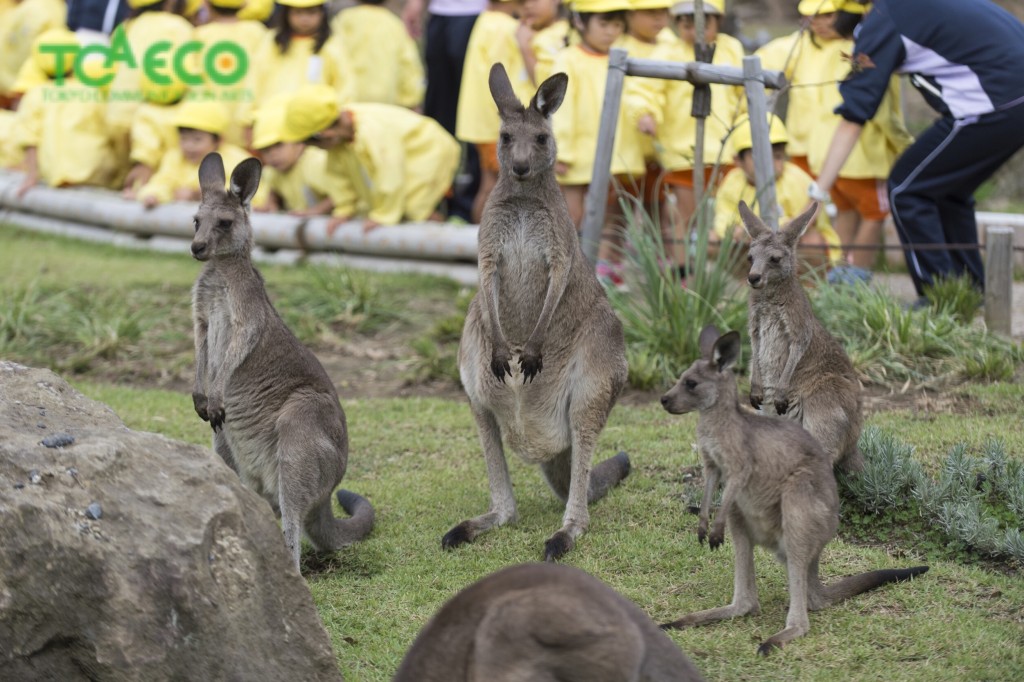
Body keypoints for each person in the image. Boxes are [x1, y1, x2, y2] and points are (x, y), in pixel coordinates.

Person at [813, 0, 1024, 301]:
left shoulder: (883, 21)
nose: (813, 23)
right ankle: (967, 294)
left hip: (993, 101)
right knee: (948, 192)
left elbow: (855, 115)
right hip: (1011, 98)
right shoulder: (908, 8)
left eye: (823, 15)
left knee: (906, 189)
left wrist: (818, 193)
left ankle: (939, 298)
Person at [627, 0, 743, 270]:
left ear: (719, 22)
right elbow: (645, 88)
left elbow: (743, 100)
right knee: (683, 214)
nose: (694, 30)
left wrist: (743, 139)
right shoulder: (668, 51)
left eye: (703, 23)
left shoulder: (730, 48)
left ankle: (723, 271)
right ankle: (684, 269)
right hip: (683, 150)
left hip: (726, 150)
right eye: (685, 24)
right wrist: (645, 112)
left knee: (726, 216)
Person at [801, 0, 912, 277]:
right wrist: (905, 147)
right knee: (875, 214)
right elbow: (886, 116)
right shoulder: (874, 53)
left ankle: (837, 274)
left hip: (829, 159)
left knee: (846, 211)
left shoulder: (826, 52)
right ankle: (857, 277)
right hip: (865, 158)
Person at [281, 84, 462, 234]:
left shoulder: (373, 133)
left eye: (313, 143)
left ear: (326, 134)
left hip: (429, 150)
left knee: (414, 207)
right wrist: (344, 209)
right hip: (404, 156)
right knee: (390, 206)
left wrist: (384, 215)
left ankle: (450, 236)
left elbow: (390, 172)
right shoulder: (342, 141)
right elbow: (338, 175)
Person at [551, 0, 644, 288]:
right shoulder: (568, 59)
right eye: (604, 24)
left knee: (615, 213)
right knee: (572, 212)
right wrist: (561, 149)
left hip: (618, 150)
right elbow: (561, 108)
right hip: (580, 151)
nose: (611, 31)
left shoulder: (626, 57)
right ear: (581, 22)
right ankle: (565, 267)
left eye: (617, 24)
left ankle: (608, 269)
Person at [713, 114, 842, 272]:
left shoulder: (796, 179)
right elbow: (723, 216)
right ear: (738, 161)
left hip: (791, 248)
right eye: (761, 157)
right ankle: (747, 284)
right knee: (713, 241)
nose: (771, 164)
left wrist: (768, 232)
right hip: (754, 245)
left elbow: (805, 222)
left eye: (778, 157)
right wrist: (734, 231)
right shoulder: (732, 182)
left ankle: (809, 285)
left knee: (812, 242)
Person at [401, 0, 487, 223]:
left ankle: (468, 206)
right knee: (438, 115)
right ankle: (434, 199)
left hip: (481, 12)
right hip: (441, 13)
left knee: (479, 114)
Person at [13, 28, 119, 197]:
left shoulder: (35, 95)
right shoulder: (92, 92)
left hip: (54, 175)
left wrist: (31, 176)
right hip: (97, 173)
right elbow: (113, 132)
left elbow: (28, 138)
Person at [456, 0, 529, 224]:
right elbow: (503, 79)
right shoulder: (506, 28)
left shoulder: (485, 20)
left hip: (481, 121)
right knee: (493, 187)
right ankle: (480, 243)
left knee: (490, 185)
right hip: (494, 123)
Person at [136, 101, 257, 208]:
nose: (189, 146)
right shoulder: (174, 158)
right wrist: (153, 195)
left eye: (197, 140)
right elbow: (162, 181)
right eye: (184, 139)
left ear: (218, 140)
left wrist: (204, 194)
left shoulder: (235, 159)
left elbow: (252, 193)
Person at [330, 0, 425, 109]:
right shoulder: (394, 24)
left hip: (347, 99)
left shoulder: (344, 19)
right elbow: (409, 65)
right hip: (386, 101)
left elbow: (331, 53)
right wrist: (411, 100)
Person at [249, 96, 333, 215]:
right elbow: (275, 187)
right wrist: (271, 203)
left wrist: (316, 211)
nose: (272, 154)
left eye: (278, 145)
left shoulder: (315, 163)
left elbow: (341, 194)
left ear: (299, 141)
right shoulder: (273, 171)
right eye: (265, 150)